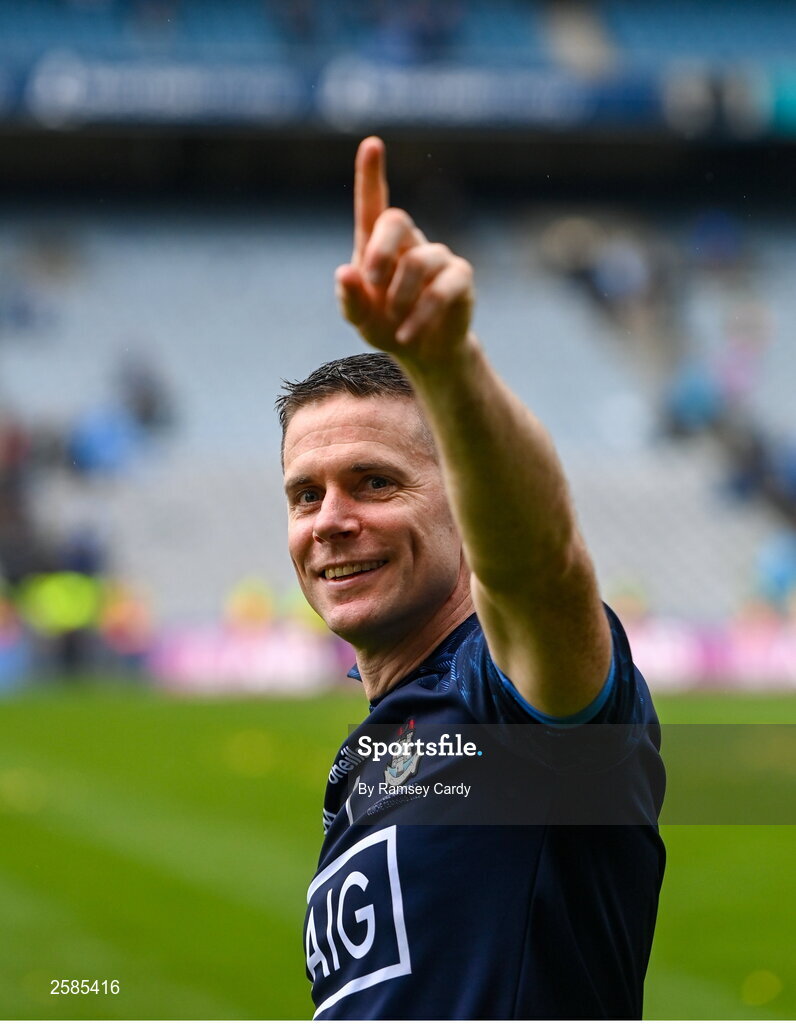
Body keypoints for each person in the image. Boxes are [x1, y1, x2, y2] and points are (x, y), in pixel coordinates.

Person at [276, 137, 665, 1020]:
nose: (330, 519)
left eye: (376, 482)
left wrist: (449, 369)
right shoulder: (381, 747)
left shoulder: (512, 701)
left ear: (463, 506)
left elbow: (541, 568)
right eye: (305, 494)